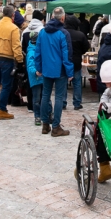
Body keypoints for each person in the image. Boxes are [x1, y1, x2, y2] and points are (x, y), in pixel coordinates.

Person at [35, 7, 73, 137]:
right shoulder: (63, 33)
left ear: (52, 17)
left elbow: (37, 52)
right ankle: (56, 126)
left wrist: (39, 68)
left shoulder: (43, 32)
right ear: (62, 18)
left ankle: (45, 124)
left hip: (46, 69)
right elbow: (67, 55)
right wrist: (70, 72)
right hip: (60, 70)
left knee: (45, 95)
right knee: (58, 97)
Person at [0, 6, 24, 120]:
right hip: (7, 58)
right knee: (6, 85)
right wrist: (20, 60)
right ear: (13, 15)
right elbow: (16, 46)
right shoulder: (13, 28)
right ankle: (1, 109)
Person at [64, 15, 90, 110]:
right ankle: (77, 103)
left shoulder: (62, 33)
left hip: (64, 60)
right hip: (76, 60)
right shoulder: (80, 34)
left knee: (63, 82)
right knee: (77, 83)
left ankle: (63, 102)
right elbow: (85, 47)